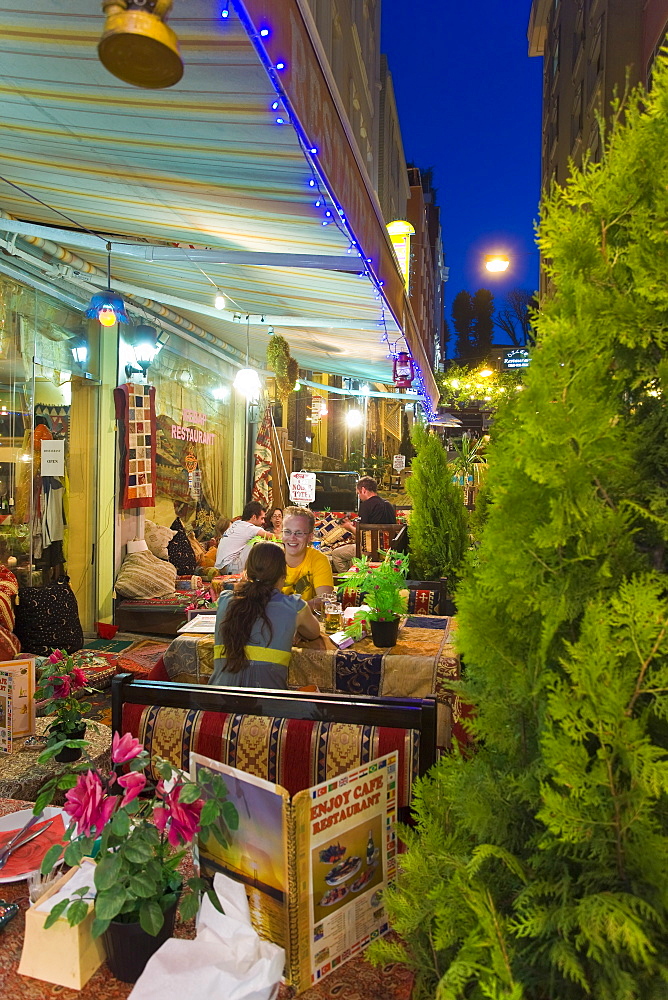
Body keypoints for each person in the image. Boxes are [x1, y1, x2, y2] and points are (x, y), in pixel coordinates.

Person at [211, 542, 320, 688]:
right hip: (266, 707)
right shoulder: (295, 606)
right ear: (283, 576)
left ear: (247, 572)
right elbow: (314, 633)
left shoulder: (225, 600)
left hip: (218, 702)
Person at [331, 477, 396, 573]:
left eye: (358, 493)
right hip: (388, 549)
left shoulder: (366, 505)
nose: (359, 496)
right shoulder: (388, 504)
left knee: (336, 553)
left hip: (372, 550)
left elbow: (362, 536)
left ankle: (349, 583)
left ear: (363, 490)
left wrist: (349, 527)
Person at [281, 506, 334, 607]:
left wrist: (288, 610)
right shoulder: (271, 558)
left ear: (310, 537)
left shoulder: (318, 559)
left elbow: (325, 600)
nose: (292, 538)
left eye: (299, 533)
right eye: (287, 532)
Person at [214, 501, 273, 573]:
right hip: (231, 568)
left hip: (220, 567)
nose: (263, 522)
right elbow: (274, 537)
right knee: (258, 541)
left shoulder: (237, 523)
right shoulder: (249, 528)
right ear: (254, 517)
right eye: (262, 518)